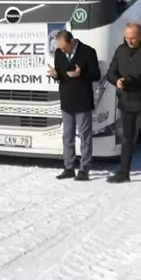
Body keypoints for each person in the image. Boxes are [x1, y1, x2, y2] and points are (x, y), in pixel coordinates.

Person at [105, 22, 141, 187]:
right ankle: (124, 172)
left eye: (132, 38)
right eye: (127, 38)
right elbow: (110, 72)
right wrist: (117, 81)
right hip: (125, 101)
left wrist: (135, 83)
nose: (129, 41)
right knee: (127, 138)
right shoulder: (121, 50)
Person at [48, 29, 101, 181]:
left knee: (85, 136)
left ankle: (84, 168)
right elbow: (61, 74)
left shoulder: (88, 51)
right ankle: (69, 167)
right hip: (66, 99)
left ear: (72, 42)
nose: (62, 49)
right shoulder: (59, 53)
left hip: (82, 100)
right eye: (60, 47)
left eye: (64, 47)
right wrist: (55, 74)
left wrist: (81, 74)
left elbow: (96, 75)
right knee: (67, 136)